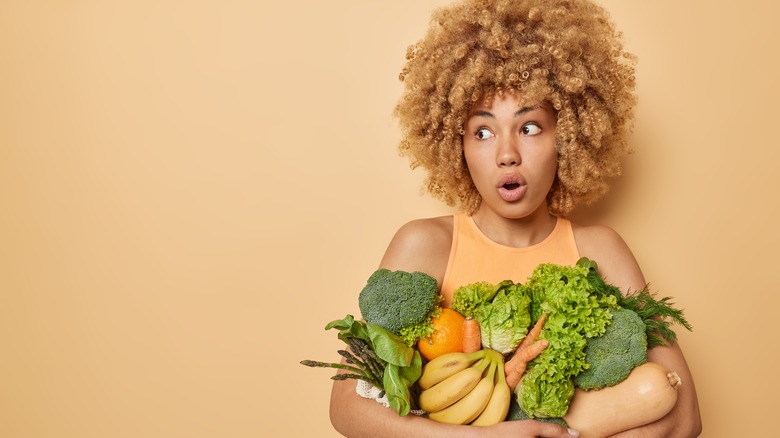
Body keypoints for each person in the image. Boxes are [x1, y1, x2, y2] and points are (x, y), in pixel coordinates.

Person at [329, 0, 702, 436]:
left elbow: (685, 419)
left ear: (567, 137)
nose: (507, 154)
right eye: (482, 132)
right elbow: (347, 409)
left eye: (529, 127)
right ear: (457, 146)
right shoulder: (423, 246)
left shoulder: (600, 249)